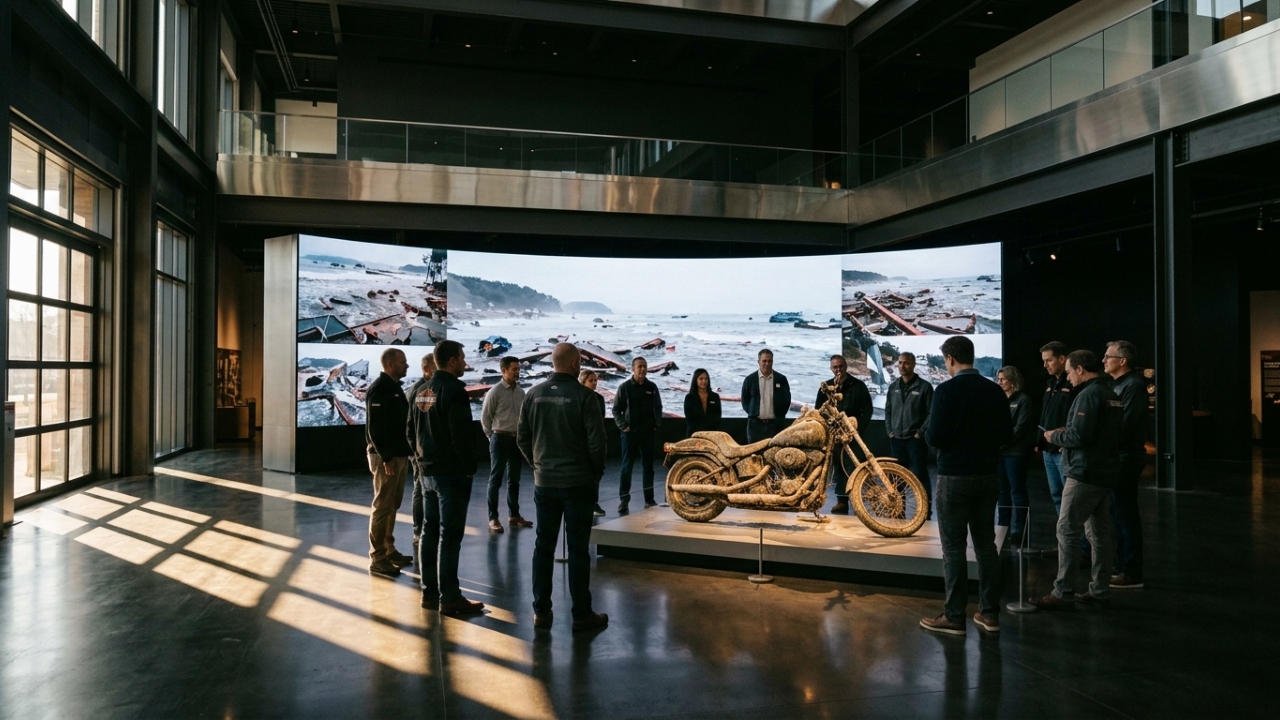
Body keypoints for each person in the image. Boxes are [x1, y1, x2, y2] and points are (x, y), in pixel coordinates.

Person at [919, 337, 1012, 636]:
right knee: (986, 546)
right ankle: (989, 614)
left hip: (954, 478)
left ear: (950, 359)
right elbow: (1006, 434)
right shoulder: (994, 390)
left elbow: (934, 436)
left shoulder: (945, 391)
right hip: (987, 476)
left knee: (954, 549)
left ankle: (954, 616)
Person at [518, 343, 610, 633]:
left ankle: (541, 612)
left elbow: (522, 437)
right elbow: (597, 444)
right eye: (580, 361)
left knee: (543, 547)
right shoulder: (586, 397)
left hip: (545, 483)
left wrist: (537, 465)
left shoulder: (533, 394)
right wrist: (594, 475)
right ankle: (581, 615)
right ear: (573, 364)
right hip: (578, 484)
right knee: (579, 551)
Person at [1031, 350, 1123, 610]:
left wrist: (1053, 436)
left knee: (1066, 529)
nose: (1068, 378)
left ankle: (1063, 592)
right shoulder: (1110, 394)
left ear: (1081, 369)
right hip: (1104, 471)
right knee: (1099, 533)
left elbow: (1079, 437)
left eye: (1070, 372)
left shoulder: (1088, 395)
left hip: (1084, 472)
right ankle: (1100, 589)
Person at [409, 340, 485, 615]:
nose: (465, 363)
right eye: (463, 358)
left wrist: (419, 460)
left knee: (429, 532)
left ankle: (429, 593)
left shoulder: (420, 390)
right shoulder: (454, 390)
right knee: (450, 537)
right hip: (450, 474)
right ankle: (450, 597)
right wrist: (468, 467)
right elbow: (460, 435)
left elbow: (410, 430)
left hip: (426, 471)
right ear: (452, 361)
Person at [366, 348, 414, 579]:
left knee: (392, 505)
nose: (407, 366)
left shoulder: (393, 387)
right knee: (383, 506)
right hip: (386, 457)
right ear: (391, 364)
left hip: (398, 455)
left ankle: (388, 549)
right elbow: (375, 427)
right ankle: (378, 557)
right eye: (403, 362)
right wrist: (386, 457)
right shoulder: (380, 388)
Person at [1103, 341, 1148, 589]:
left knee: (1125, 514)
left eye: (1108, 356)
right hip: (1116, 456)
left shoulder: (1133, 386)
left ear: (1122, 361)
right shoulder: (1116, 384)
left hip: (1126, 458)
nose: (1103, 360)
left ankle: (1131, 571)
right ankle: (1121, 566)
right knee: (1118, 514)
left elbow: (1125, 423)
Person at [481, 356, 532, 534]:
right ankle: (493, 518)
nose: (518, 372)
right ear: (504, 371)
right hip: (500, 438)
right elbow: (485, 418)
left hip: (516, 439)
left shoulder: (521, 392)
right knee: (496, 479)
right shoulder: (494, 391)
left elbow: (524, 417)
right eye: (514, 369)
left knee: (514, 480)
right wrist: (492, 437)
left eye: (518, 369)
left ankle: (514, 515)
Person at [816, 355, 872, 514]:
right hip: (834, 435)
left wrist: (859, 428)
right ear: (830, 368)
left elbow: (867, 409)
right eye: (835, 367)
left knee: (856, 466)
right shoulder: (825, 387)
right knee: (839, 468)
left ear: (846, 366)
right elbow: (819, 410)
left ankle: (858, 501)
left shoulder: (859, 385)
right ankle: (842, 501)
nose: (838, 370)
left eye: (840, 366)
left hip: (854, 434)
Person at [884, 352, 933, 517]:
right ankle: (899, 509)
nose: (902, 366)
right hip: (896, 438)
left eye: (906, 363)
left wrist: (920, 433)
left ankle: (926, 510)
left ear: (913, 365)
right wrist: (890, 431)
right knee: (897, 477)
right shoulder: (893, 387)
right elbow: (888, 411)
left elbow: (931, 413)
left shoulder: (924, 387)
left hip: (915, 440)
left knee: (920, 475)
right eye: (900, 363)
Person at [614, 357, 663, 514]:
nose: (642, 369)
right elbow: (616, 410)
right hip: (630, 434)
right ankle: (624, 500)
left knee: (648, 468)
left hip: (648, 434)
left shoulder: (652, 387)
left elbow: (658, 406)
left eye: (645, 366)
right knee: (626, 467)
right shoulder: (625, 387)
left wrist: (656, 424)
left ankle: (649, 499)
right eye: (640, 366)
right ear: (633, 369)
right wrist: (624, 426)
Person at [996, 365, 1036, 546]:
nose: (1000, 382)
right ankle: (1003, 527)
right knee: (1002, 491)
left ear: (1013, 380)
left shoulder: (1023, 400)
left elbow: (1021, 427)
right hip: (1000, 452)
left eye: (1003, 379)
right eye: (998, 379)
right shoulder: (998, 399)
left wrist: (1003, 441)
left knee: (1017, 491)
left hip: (1016, 452)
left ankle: (1020, 530)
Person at [1037, 341, 1076, 516]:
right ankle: (1064, 541)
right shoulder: (1050, 383)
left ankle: (1079, 543)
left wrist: (1065, 440)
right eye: (1044, 361)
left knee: (1071, 499)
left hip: (1063, 449)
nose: (1045, 365)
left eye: (1049, 360)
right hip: (1048, 450)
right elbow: (1044, 415)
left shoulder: (1073, 384)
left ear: (1062, 359)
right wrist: (1039, 441)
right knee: (1057, 496)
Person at [409, 354, 436, 553]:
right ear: (427, 370)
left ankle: (423, 530)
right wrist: (416, 451)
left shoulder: (419, 389)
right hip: (420, 450)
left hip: (420, 448)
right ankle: (419, 530)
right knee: (420, 489)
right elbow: (410, 425)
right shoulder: (420, 391)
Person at [741, 348, 791, 443]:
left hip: (775, 426)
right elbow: (745, 401)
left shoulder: (781, 379)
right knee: (754, 455)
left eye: (769, 361)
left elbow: (786, 400)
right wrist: (753, 412)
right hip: (755, 427)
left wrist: (780, 415)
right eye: (764, 361)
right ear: (758, 362)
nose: (767, 364)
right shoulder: (749, 380)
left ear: (773, 361)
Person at [580, 370, 609, 517]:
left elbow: (601, 420)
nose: (594, 383)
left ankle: (593, 502)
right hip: (580, 441)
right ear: (583, 382)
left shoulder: (599, 398)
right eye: (591, 381)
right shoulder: (578, 397)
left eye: (595, 380)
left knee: (595, 471)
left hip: (594, 441)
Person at [683, 368, 722, 437]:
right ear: (696, 380)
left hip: (712, 435)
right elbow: (689, 419)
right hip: (694, 435)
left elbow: (718, 417)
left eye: (706, 379)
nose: (704, 381)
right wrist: (700, 434)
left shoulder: (715, 397)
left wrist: (709, 433)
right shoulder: (689, 398)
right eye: (701, 379)